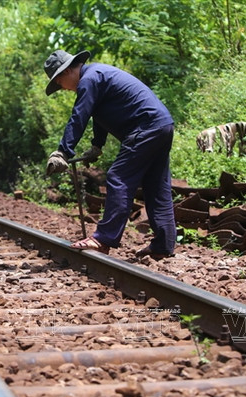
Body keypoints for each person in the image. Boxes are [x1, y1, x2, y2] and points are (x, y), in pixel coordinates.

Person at [44, 49, 176, 259]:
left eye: (59, 82)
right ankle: (164, 244)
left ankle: (103, 238)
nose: (62, 88)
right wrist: (97, 145)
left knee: (118, 177)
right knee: (156, 186)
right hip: (162, 125)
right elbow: (99, 114)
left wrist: (62, 152)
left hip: (145, 128)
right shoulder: (98, 75)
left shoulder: (89, 80)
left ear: (67, 70)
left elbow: (80, 116)